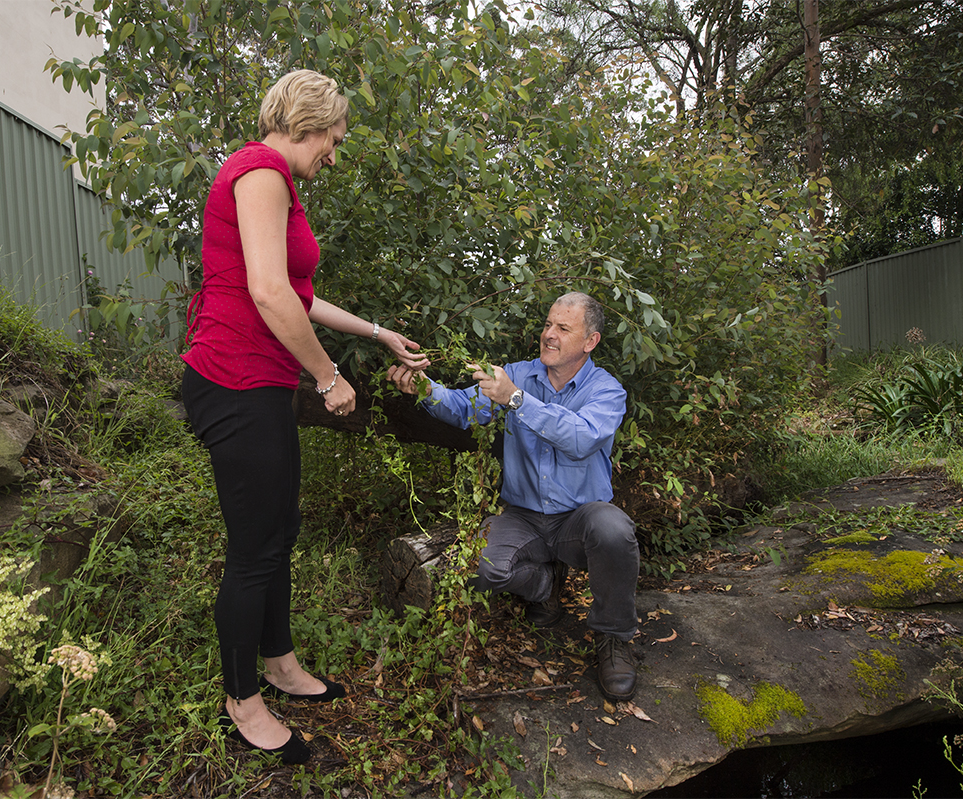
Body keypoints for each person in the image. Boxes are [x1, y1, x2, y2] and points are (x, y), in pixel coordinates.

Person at [181, 69, 428, 764]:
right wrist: (327, 376)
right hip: (231, 381)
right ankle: (242, 700)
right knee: (255, 546)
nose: (335, 153)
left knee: (278, 528)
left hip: (259, 382)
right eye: (335, 139)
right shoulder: (259, 170)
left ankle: (280, 663)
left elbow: (297, 294)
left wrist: (376, 332)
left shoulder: (273, 180)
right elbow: (266, 292)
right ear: (308, 124)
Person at [387, 292, 640, 701]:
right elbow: (462, 409)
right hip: (521, 515)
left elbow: (581, 439)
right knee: (477, 566)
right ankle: (544, 585)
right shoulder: (517, 374)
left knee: (614, 529)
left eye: (563, 328)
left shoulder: (606, 390)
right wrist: (425, 388)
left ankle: (613, 639)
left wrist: (516, 399)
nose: (549, 335)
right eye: (547, 324)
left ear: (589, 342)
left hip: (579, 519)